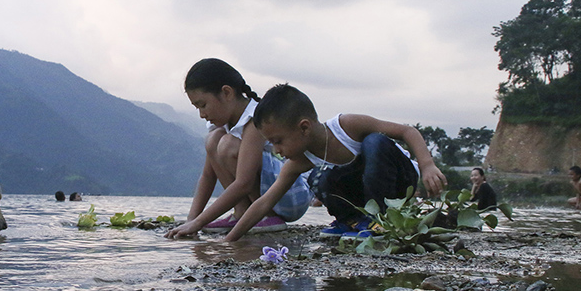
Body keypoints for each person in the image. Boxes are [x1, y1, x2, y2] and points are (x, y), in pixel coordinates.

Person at [223, 83, 446, 242]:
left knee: (374, 142)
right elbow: (263, 203)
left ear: (304, 127)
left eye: (278, 141)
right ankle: (353, 221)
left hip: (399, 182)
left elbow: (407, 131)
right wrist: (230, 240)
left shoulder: (347, 126)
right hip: (365, 194)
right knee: (319, 178)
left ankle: (380, 220)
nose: (277, 151)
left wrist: (427, 165)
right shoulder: (300, 161)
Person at [166, 60, 313, 239]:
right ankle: (242, 211)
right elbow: (207, 175)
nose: (202, 114)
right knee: (214, 140)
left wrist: (199, 223)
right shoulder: (222, 128)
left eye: (203, 105)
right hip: (268, 194)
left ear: (227, 92)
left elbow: (244, 182)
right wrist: (191, 220)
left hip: (290, 196)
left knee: (228, 144)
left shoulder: (254, 120)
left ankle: (267, 216)